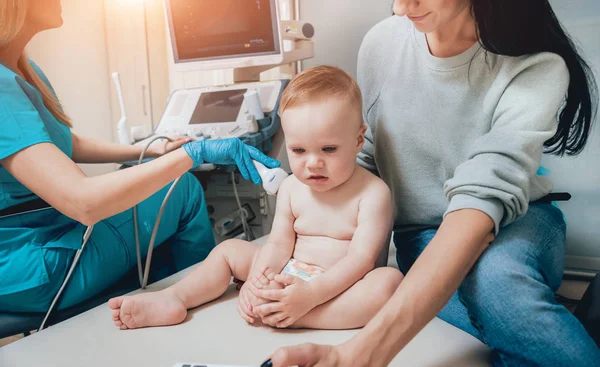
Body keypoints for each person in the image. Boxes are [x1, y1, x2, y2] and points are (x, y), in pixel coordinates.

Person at [263, 0, 600, 366]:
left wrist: (362, 354)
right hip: (421, 235)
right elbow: (365, 157)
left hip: (517, 223)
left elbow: (479, 202)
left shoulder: (537, 65)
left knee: (497, 281)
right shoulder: (381, 44)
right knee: (500, 318)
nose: (401, 6)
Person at [0, 0, 279, 313]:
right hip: (28, 262)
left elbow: (61, 142)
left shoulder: (23, 67)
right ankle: (201, 309)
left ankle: (179, 298)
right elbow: (84, 203)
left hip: (45, 232)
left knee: (170, 212)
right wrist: (194, 152)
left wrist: (148, 148)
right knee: (183, 190)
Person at [107, 66, 403, 330]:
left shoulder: (373, 194)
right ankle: (174, 297)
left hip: (339, 286)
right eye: (299, 151)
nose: (313, 163)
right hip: (290, 271)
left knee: (388, 284)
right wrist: (258, 280)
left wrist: (309, 296)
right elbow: (278, 245)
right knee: (229, 251)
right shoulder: (292, 188)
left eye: (328, 149)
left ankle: (303, 316)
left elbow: (361, 261)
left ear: (358, 140)